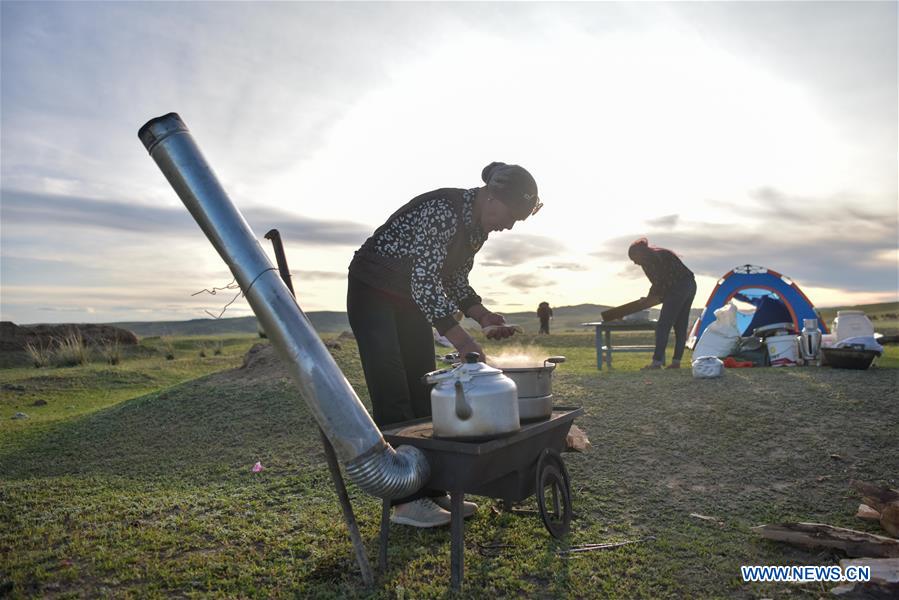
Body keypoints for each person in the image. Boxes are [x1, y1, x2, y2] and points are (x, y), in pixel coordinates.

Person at [347, 162, 542, 527]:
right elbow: (424, 280)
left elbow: (453, 279)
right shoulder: (444, 211)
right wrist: (463, 338)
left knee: (425, 391)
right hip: (373, 291)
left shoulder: (474, 230)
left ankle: (431, 489)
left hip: (407, 299)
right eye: (510, 216)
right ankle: (406, 502)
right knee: (393, 391)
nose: (509, 226)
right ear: (492, 197)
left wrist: (483, 317)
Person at [627, 238, 696, 369]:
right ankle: (676, 362)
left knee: (663, 325)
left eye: (634, 258)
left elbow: (658, 284)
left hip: (679, 287)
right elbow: (661, 283)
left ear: (640, 254)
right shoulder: (659, 254)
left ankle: (657, 362)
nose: (635, 263)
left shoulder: (649, 261)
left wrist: (647, 300)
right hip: (690, 285)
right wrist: (650, 298)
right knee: (680, 325)